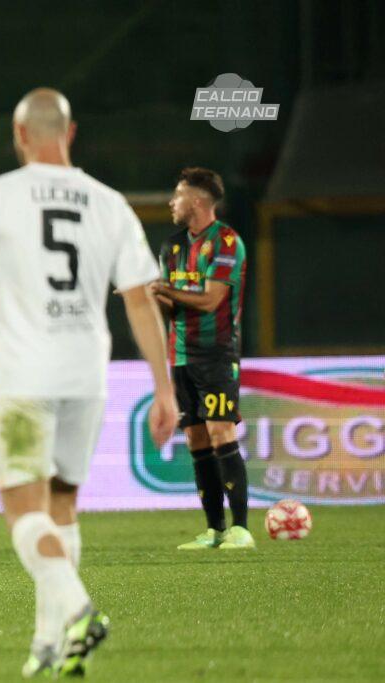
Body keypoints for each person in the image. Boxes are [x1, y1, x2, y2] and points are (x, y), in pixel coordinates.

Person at [0, 89, 177, 677]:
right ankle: (51, 645)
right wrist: (164, 388)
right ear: (70, 134)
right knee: (63, 504)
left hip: (23, 377)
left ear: (20, 135)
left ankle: (79, 611)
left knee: (23, 510)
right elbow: (141, 302)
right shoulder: (110, 202)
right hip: (85, 375)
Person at [151, 168, 253, 551]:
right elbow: (168, 307)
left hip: (216, 354)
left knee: (220, 431)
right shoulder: (172, 247)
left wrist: (165, 289)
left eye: (177, 196)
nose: (171, 203)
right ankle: (215, 530)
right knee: (195, 438)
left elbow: (211, 300)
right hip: (180, 356)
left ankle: (241, 529)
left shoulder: (226, 242)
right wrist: (150, 296)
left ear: (196, 201)